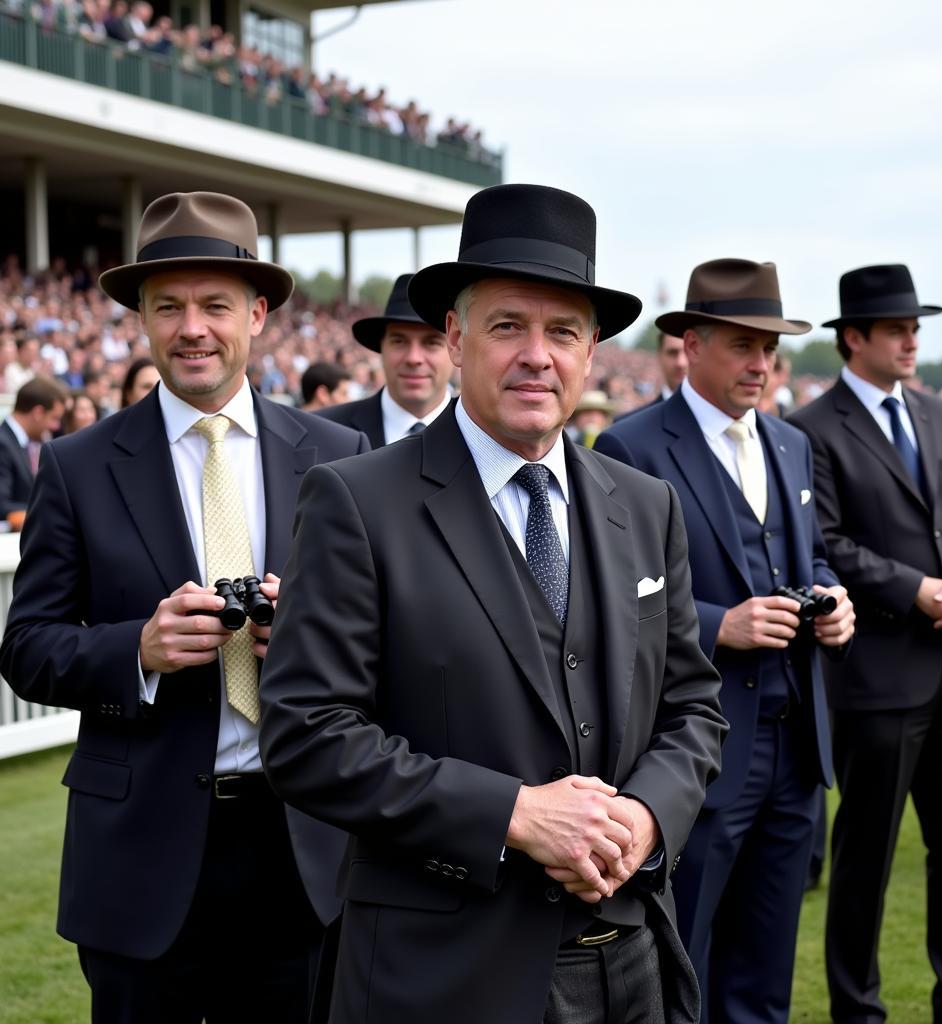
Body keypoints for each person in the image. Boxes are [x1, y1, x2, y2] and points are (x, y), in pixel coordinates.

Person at [258, 183, 728, 1024]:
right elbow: (306, 734)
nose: (536, 356)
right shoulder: (357, 501)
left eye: (563, 333)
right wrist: (512, 813)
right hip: (443, 975)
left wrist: (647, 820)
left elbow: (693, 706)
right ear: (454, 337)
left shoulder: (645, 504)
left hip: (636, 964)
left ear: (591, 356)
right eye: (509, 325)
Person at [0, 191, 370, 1024]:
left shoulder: (339, 457)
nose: (192, 327)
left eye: (215, 305)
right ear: (142, 320)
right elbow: (25, 647)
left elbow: (382, 640)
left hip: (299, 846)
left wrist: (304, 634)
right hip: (142, 853)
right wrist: (140, 649)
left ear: (259, 313)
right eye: (168, 307)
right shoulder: (78, 464)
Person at [595, 258, 855, 1023]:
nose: (761, 363)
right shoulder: (631, 446)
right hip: (705, 749)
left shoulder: (790, 443)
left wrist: (833, 598)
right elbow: (615, 600)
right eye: (743, 344)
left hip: (798, 743)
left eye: (770, 347)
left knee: (768, 965)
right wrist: (720, 625)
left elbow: (805, 556)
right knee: (689, 957)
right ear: (692, 343)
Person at [789, 264, 942, 1024]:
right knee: (865, 860)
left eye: (916, 328)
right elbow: (828, 543)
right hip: (879, 673)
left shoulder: (940, 414)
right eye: (897, 329)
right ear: (855, 338)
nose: (912, 340)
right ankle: (857, 1009)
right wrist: (916, 589)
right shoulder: (810, 431)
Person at [318, 274, 452, 447]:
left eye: (431, 342)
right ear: (381, 347)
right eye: (399, 341)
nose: (413, 358)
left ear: (456, 346)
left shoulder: (485, 433)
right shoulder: (325, 431)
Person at [0, 376, 65, 520]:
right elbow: (2, 505)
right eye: (54, 418)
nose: (56, 427)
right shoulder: (3, 444)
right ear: (38, 413)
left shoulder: (26, 444)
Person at [616, 329, 687, 421]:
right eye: (672, 353)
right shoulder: (627, 426)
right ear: (659, 356)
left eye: (687, 351)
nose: (680, 363)